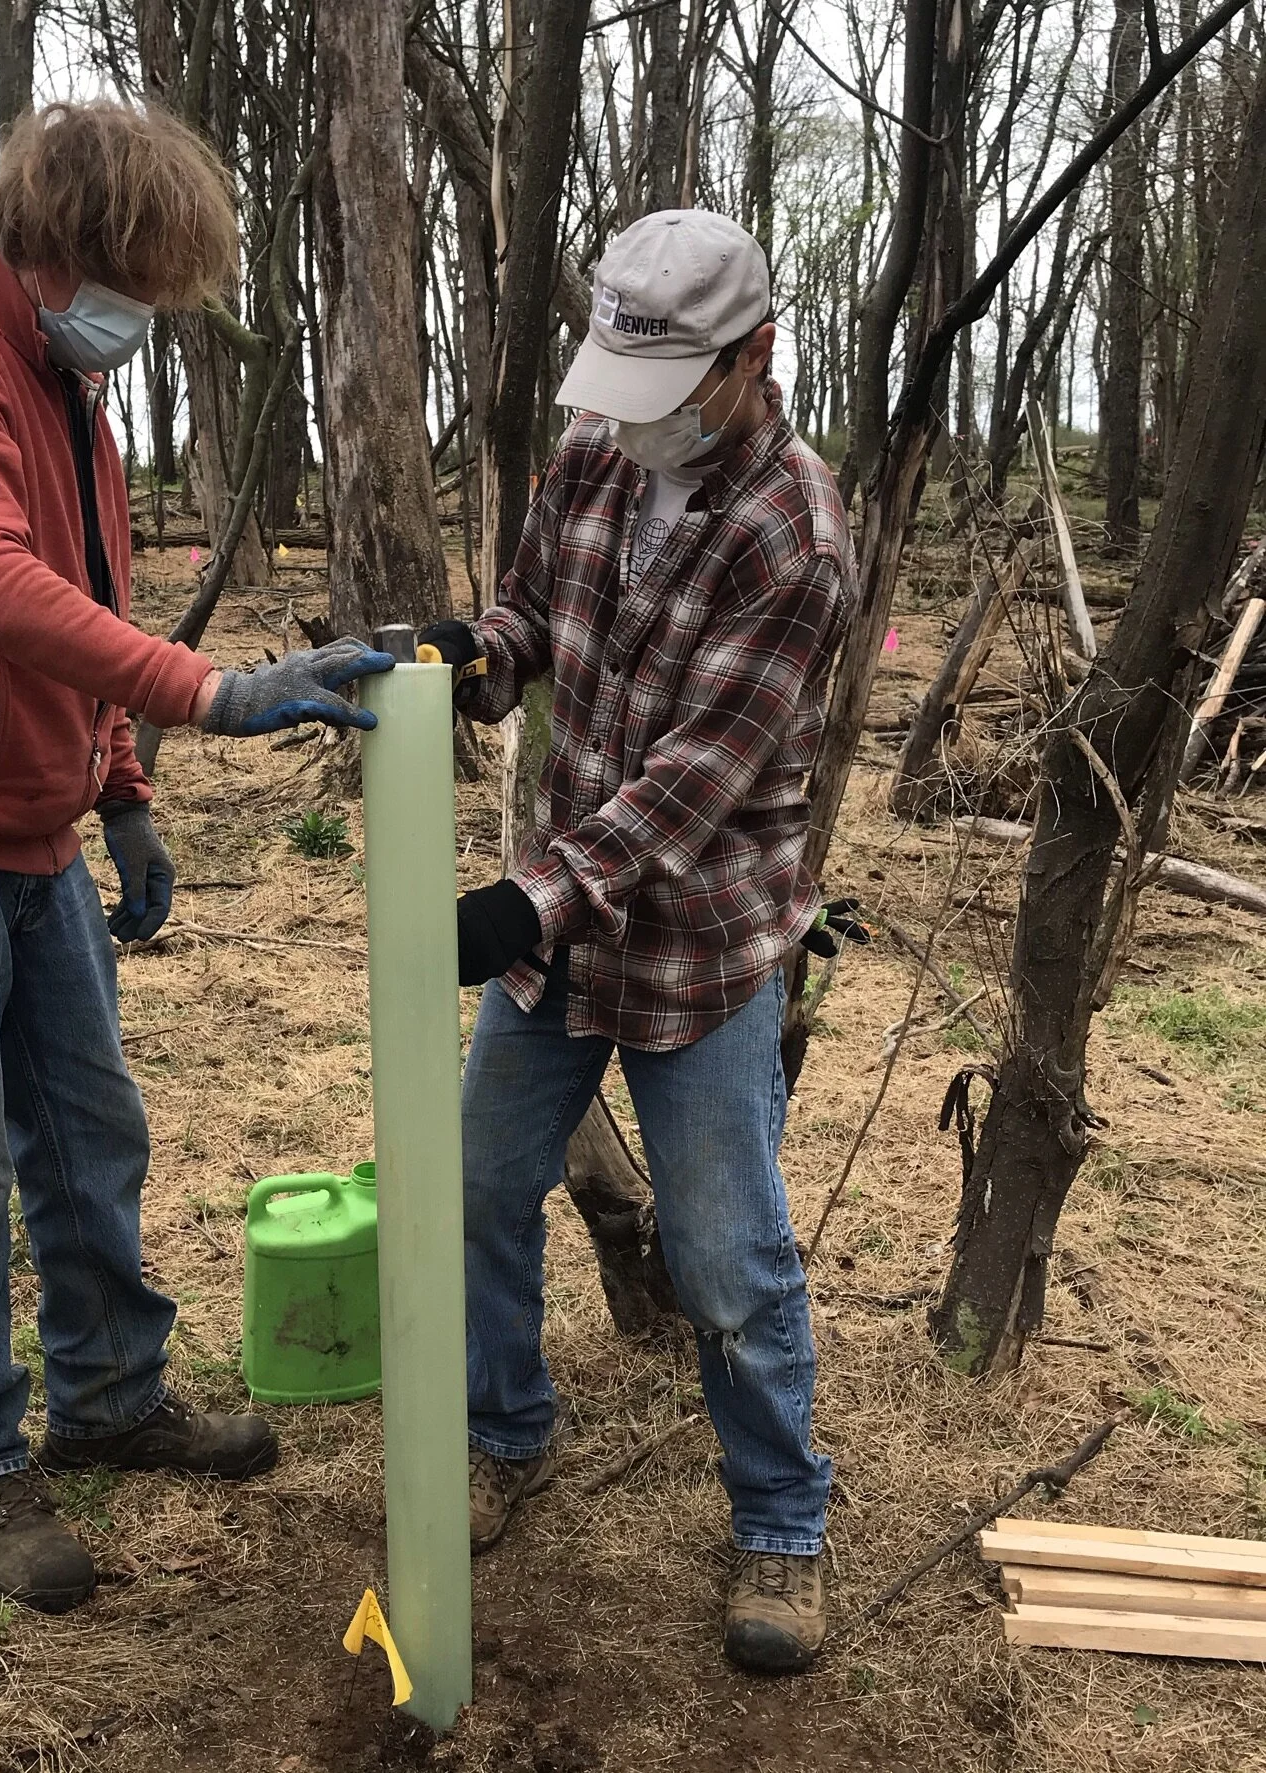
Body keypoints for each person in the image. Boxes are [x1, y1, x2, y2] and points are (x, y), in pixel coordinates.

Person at [0, 100, 392, 1614]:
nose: (144, 323)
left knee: (90, 1125)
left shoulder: (68, 394)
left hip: (25, 829)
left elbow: (79, 597)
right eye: (133, 285)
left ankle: (111, 1392)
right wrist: (205, 694)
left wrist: (119, 789)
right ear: (51, 254)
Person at [420, 210, 853, 1673]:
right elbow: (537, 610)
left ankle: (782, 1523)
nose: (636, 423)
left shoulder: (795, 530)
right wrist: (476, 662)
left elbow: (692, 789)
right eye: (622, 384)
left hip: (699, 944)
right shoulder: (599, 448)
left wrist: (525, 903)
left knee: (728, 1255)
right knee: (478, 1184)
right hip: (568, 931)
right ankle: (502, 1430)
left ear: (756, 358)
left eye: (670, 392)